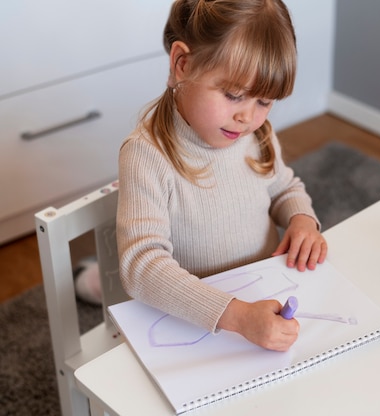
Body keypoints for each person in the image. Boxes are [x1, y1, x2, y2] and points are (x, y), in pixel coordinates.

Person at [116, 0, 327, 352]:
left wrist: (302, 219)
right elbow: (141, 266)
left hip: (260, 302)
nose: (248, 117)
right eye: (234, 95)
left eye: (264, 102)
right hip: (198, 323)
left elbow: (283, 187)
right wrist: (238, 317)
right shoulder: (146, 155)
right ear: (182, 64)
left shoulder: (254, 134)